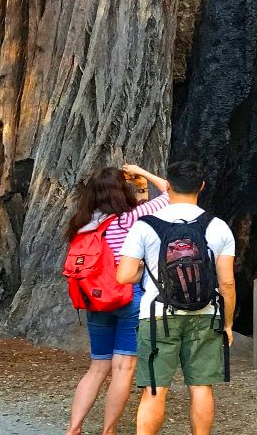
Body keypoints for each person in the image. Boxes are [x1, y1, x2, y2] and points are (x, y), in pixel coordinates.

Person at [116, 160, 237, 435]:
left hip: (158, 316)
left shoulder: (145, 225)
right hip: (206, 315)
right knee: (201, 387)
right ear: (202, 187)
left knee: (155, 390)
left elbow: (124, 276)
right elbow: (227, 282)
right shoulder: (218, 226)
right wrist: (227, 324)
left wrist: (146, 274)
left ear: (167, 186)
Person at [64, 164, 170, 435]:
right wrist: (142, 173)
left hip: (95, 300)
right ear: (122, 192)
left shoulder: (81, 224)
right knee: (123, 367)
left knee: (97, 367)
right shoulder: (131, 218)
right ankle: (108, 431)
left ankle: (73, 428)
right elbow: (171, 191)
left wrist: (143, 190)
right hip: (127, 298)